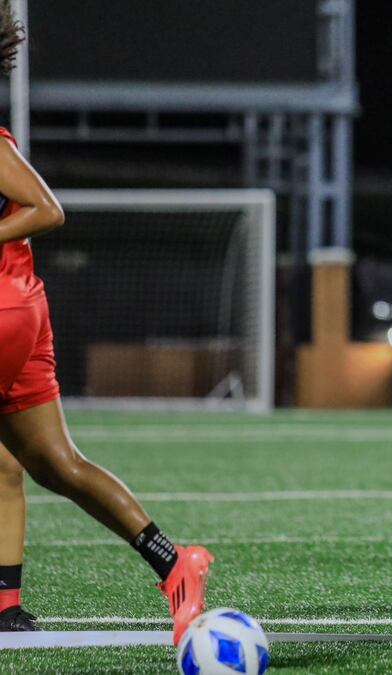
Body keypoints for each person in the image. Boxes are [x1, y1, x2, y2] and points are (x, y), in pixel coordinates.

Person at [0, 9, 211, 643]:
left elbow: (47, 208)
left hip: (4, 309)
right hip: (21, 307)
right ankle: (173, 564)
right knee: (49, 465)